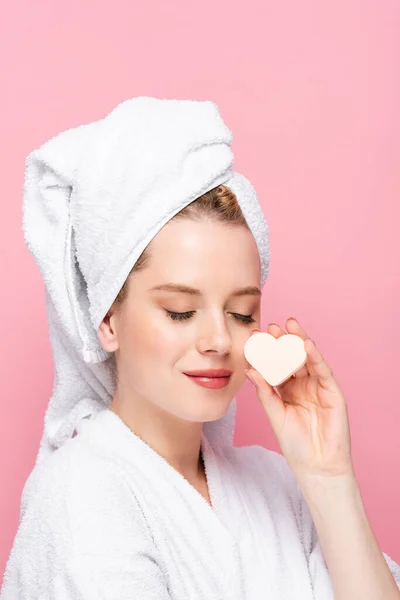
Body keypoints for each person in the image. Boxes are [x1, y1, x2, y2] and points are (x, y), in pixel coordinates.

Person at [1, 97, 399, 599]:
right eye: (180, 312)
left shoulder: (277, 482)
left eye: (241, 314)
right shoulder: (80, 493)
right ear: (107, 319)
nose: (218, 340)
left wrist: (329, 476)